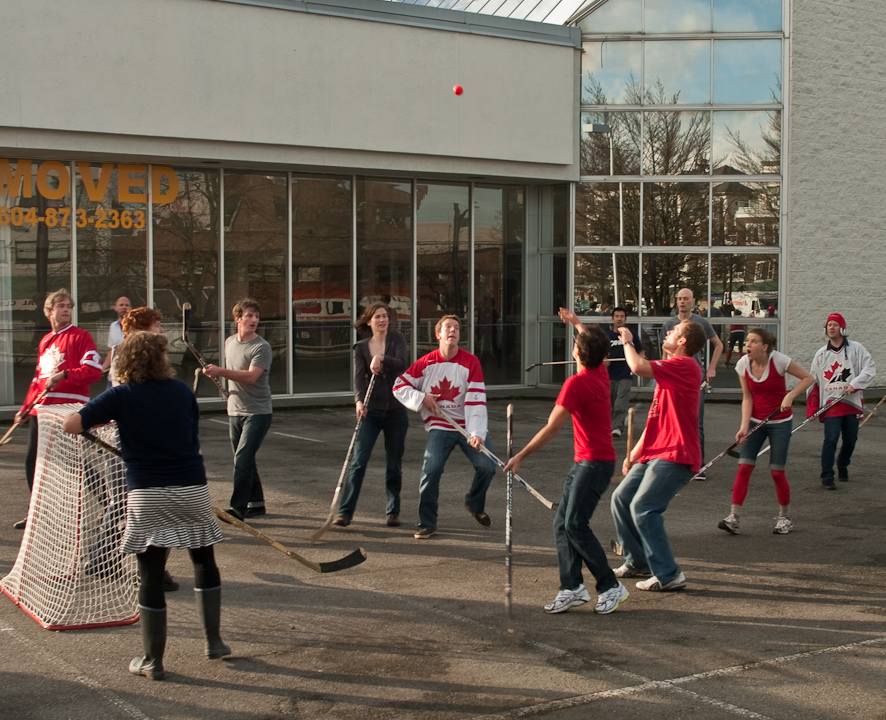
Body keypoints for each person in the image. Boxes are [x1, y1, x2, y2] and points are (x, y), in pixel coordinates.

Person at [63, 332, 230, 680]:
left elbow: (73, 423)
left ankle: (153, 661)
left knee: (151, 573)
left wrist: (104, 421)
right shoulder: (182, 391)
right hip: (191, 487)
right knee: (204, 560)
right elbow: (191, 437)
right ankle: (214, 642)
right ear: (160, 359)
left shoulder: (121, 395)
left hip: (148, 491)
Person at [504, 323, 628, 615]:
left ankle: (610, 586)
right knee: (562, 524)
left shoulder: (577, 383)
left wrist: (520, 455)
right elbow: (592, 344)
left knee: (574, 525)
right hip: (588, 461)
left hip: (593, 463)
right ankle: (571, 587)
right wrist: (579, 327)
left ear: (576, 352)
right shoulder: (599, 372)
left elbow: (552, 428)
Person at [610, 320, 706, 592]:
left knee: (643, 508)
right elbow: (655, 420)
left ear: (684, 341)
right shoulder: (668, 373)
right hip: (654, 452)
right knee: (621, 499)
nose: (669, 332)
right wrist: (633, 454)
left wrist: (628, 341)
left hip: (677, 454)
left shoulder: (686, 365)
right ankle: (637, 561)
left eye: (675, 331)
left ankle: (669, 574)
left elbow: (637, 366)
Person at [393, 315, 496, 539]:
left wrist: (477, 432)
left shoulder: (471, 362)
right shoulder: (426, 363)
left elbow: (477, 399)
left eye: (457, 328)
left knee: (487, 467)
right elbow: (399, 386)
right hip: (441, 425)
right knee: (431, 469)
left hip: (468, 427)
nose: (453, 330)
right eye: (448, 327)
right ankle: (427, 522)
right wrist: (422, 398)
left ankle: (474, 503)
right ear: (438, 334)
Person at [13, 289, 103, 529]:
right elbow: (38, 380)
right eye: (61, 306)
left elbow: (94, 371)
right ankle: (37, 513)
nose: (66, 310)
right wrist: (25, 408)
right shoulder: (45, 341)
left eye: (68, 306)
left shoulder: (81, 336)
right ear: (49, 312)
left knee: (76, 463)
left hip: (68, 412)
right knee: (34, 462)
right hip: (41, 411)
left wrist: (65, 374)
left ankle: (110, 503)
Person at [718, 328, 813, 535]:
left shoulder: (779, 361)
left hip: (780, 422)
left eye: (753, 342)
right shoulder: (743, 364)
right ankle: (734, 517)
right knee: (744, 467)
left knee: (777, 472)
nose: (747, 345)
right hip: (755, 422)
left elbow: (808, 378)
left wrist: (791, 395)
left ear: (765, 346)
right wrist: (744, 427)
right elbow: (747, 397)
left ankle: (785, 518)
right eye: (747, 342)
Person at [334, 302, 408, 527]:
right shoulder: (361, 347)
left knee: (393, 463)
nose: (383, 320)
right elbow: (358, 377)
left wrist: (382, 359)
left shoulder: (397, 340)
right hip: (371, 410)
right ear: (369, 321)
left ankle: (392, 511)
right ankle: (345, 512)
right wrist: (358, 400)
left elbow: (403, 365)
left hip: (396, 410)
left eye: (385, 316)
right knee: (358, 460)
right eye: (377, 317)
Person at [202, 299, 272, 520]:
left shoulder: (262, 347)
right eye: (249, 316)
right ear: (238, 318)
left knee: (242, 460)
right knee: (246, 459)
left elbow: (251, 376)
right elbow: (231, 373)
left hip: (258, 411)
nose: (254, 320)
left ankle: (238, 509)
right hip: (234, 410)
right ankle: (257, 503)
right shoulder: (229, 342)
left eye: (257, 316)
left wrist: (220, 371)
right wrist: (215, 373)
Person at [806, 313, 876, 489]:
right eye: (828, 324)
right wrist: (813, 408)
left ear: (842, 329)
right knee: (830, 439)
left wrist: (855, 384)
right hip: (831, 405)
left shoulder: (857, 349)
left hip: (851, 403)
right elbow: (812, 382)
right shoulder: (821, 354)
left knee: (850, 440)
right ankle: (827, 476)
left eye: (835, 324)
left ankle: (842, 464)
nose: (831, 327)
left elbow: (870, 368)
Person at [660, 288, 723, 479]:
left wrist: (711, 367)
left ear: (693, 301)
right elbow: (664, 351)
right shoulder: (669, 324)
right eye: (679, 299)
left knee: (696, 423)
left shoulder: (701, 322)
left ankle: (698, 465)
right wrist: (662, 374)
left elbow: (718, 345)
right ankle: (674, 463)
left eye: (686, 299)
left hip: (695, 379)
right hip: (673, 378)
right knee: (671, 422)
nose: (682, 302)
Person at [606, 307, 644, 438]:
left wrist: (641, 359)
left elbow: (640, 351)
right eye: (616, 316)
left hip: (625, 374)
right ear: (612, 319)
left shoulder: (631, 334)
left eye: (622, 316)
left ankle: (617, 427)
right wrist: (604, 360)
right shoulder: (607, 336)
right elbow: (601, 355)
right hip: (610, 375)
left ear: (625, 319)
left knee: (620, 402)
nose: (619, 319)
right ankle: (611, 425)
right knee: (610, 402)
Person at [103, 296, 131, 385]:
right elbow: (112, 350)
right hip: (114, 375)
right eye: (121, 305)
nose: (124, 307)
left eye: (127, 305)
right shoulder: (113, 326)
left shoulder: (136, 326)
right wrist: (102, 368)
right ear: (115, 308)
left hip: (130, 375)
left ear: (130, 308)